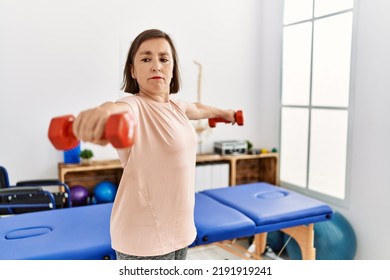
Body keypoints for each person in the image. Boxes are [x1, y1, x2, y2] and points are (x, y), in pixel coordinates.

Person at [72, 29, 236, 260]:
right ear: (133, 70)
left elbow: (198, 108)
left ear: (172, 68)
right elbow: (114, 109)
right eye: (146, 59)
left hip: (180, 233)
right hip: (144, 242)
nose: (156, 66)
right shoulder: (133, 106)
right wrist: (102, 111)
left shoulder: (176, 106)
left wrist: (226, 113)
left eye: (163, 59)